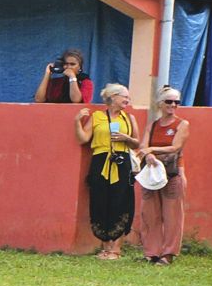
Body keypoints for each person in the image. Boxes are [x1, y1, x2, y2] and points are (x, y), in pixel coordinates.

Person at [75, 83, 140, 259]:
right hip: (101, 160)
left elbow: (137, 143)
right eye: (124, 96)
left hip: (121, 161)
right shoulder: (97, 117)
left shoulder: (129, 118)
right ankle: (105, 247)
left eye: (128, 97)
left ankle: (116, 249)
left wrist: (126, 138)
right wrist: (77, 121)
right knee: (100, 201)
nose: (127, 100)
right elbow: (83, 139)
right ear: (112, 98)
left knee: (121, 202)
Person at [135, 87, 189, 265]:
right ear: (160, 103)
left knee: (172, 214)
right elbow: (143, 145)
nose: (173, 105)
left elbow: (175, 147)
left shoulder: (182, 124)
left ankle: (169, 253)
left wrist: (151, 150)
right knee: (150, 213)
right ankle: (152, 252)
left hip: (172, 173)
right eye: (169, 101)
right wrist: (148, 154)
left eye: (176, 102)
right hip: (152, 173)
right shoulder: (153, 125)